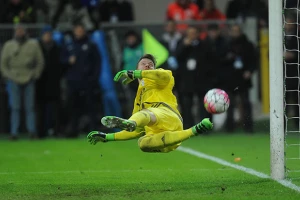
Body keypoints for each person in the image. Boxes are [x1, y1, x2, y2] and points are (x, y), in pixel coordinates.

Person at [87, 54, 213, 153]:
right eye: (143, 64)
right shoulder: (139, 99)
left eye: (151, 64)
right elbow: (135, 132)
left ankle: (131, 122)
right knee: (143, 143)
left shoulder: (161, 78)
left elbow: (161, 75)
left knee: (144, 114)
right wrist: (107, 137)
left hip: (168, 115)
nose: (147, 66)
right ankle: (195, 130)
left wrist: (136, 73)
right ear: (137, 67)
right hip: (166, 140)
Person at [0, 24, 44, 140]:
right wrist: (9, 76)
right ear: (14, 32)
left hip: (29, 77)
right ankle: (14, 132)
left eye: (21, 30)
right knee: (15, 107)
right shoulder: (9, 45)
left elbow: (40, 62)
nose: (19, 32)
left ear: (25, 32)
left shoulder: (33, 44)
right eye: (17, 30)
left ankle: (32, 132)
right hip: (13, 78)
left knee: (30, 107)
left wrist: (35, 75)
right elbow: (3, 64)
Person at [61, 23, 101, 137]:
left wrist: (93, 78)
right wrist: (68, 61)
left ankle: (93, 130)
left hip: (87, 81)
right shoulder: (69, 45)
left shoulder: (91, 45)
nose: (79, 32)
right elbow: (61, 60)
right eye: (77, 30)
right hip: (73, 81)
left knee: (90, 106)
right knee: (73, 107)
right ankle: (73, 130)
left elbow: (97, 63)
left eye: (80, 30)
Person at [175, 26, 212, 129]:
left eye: (194, 33)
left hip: (201, 79)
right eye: (190, 33)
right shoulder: (181, 44)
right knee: (186, 104)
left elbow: (208, 60)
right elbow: (177, 57)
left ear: (198, 34)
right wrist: (184, 46)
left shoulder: (203, 45)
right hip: (187, 80)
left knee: (202, 105)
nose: (192, 35)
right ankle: (188, 126)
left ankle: (204, 127)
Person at [36, 25, 62, 138]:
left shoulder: (56, 47)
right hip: (40, 82)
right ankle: (41, 132)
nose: (47, 36)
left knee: (55, 110)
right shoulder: (37, 47)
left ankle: (56, 131)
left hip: (53, 82)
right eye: (46, 34)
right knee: (40, 109)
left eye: (49, 34)